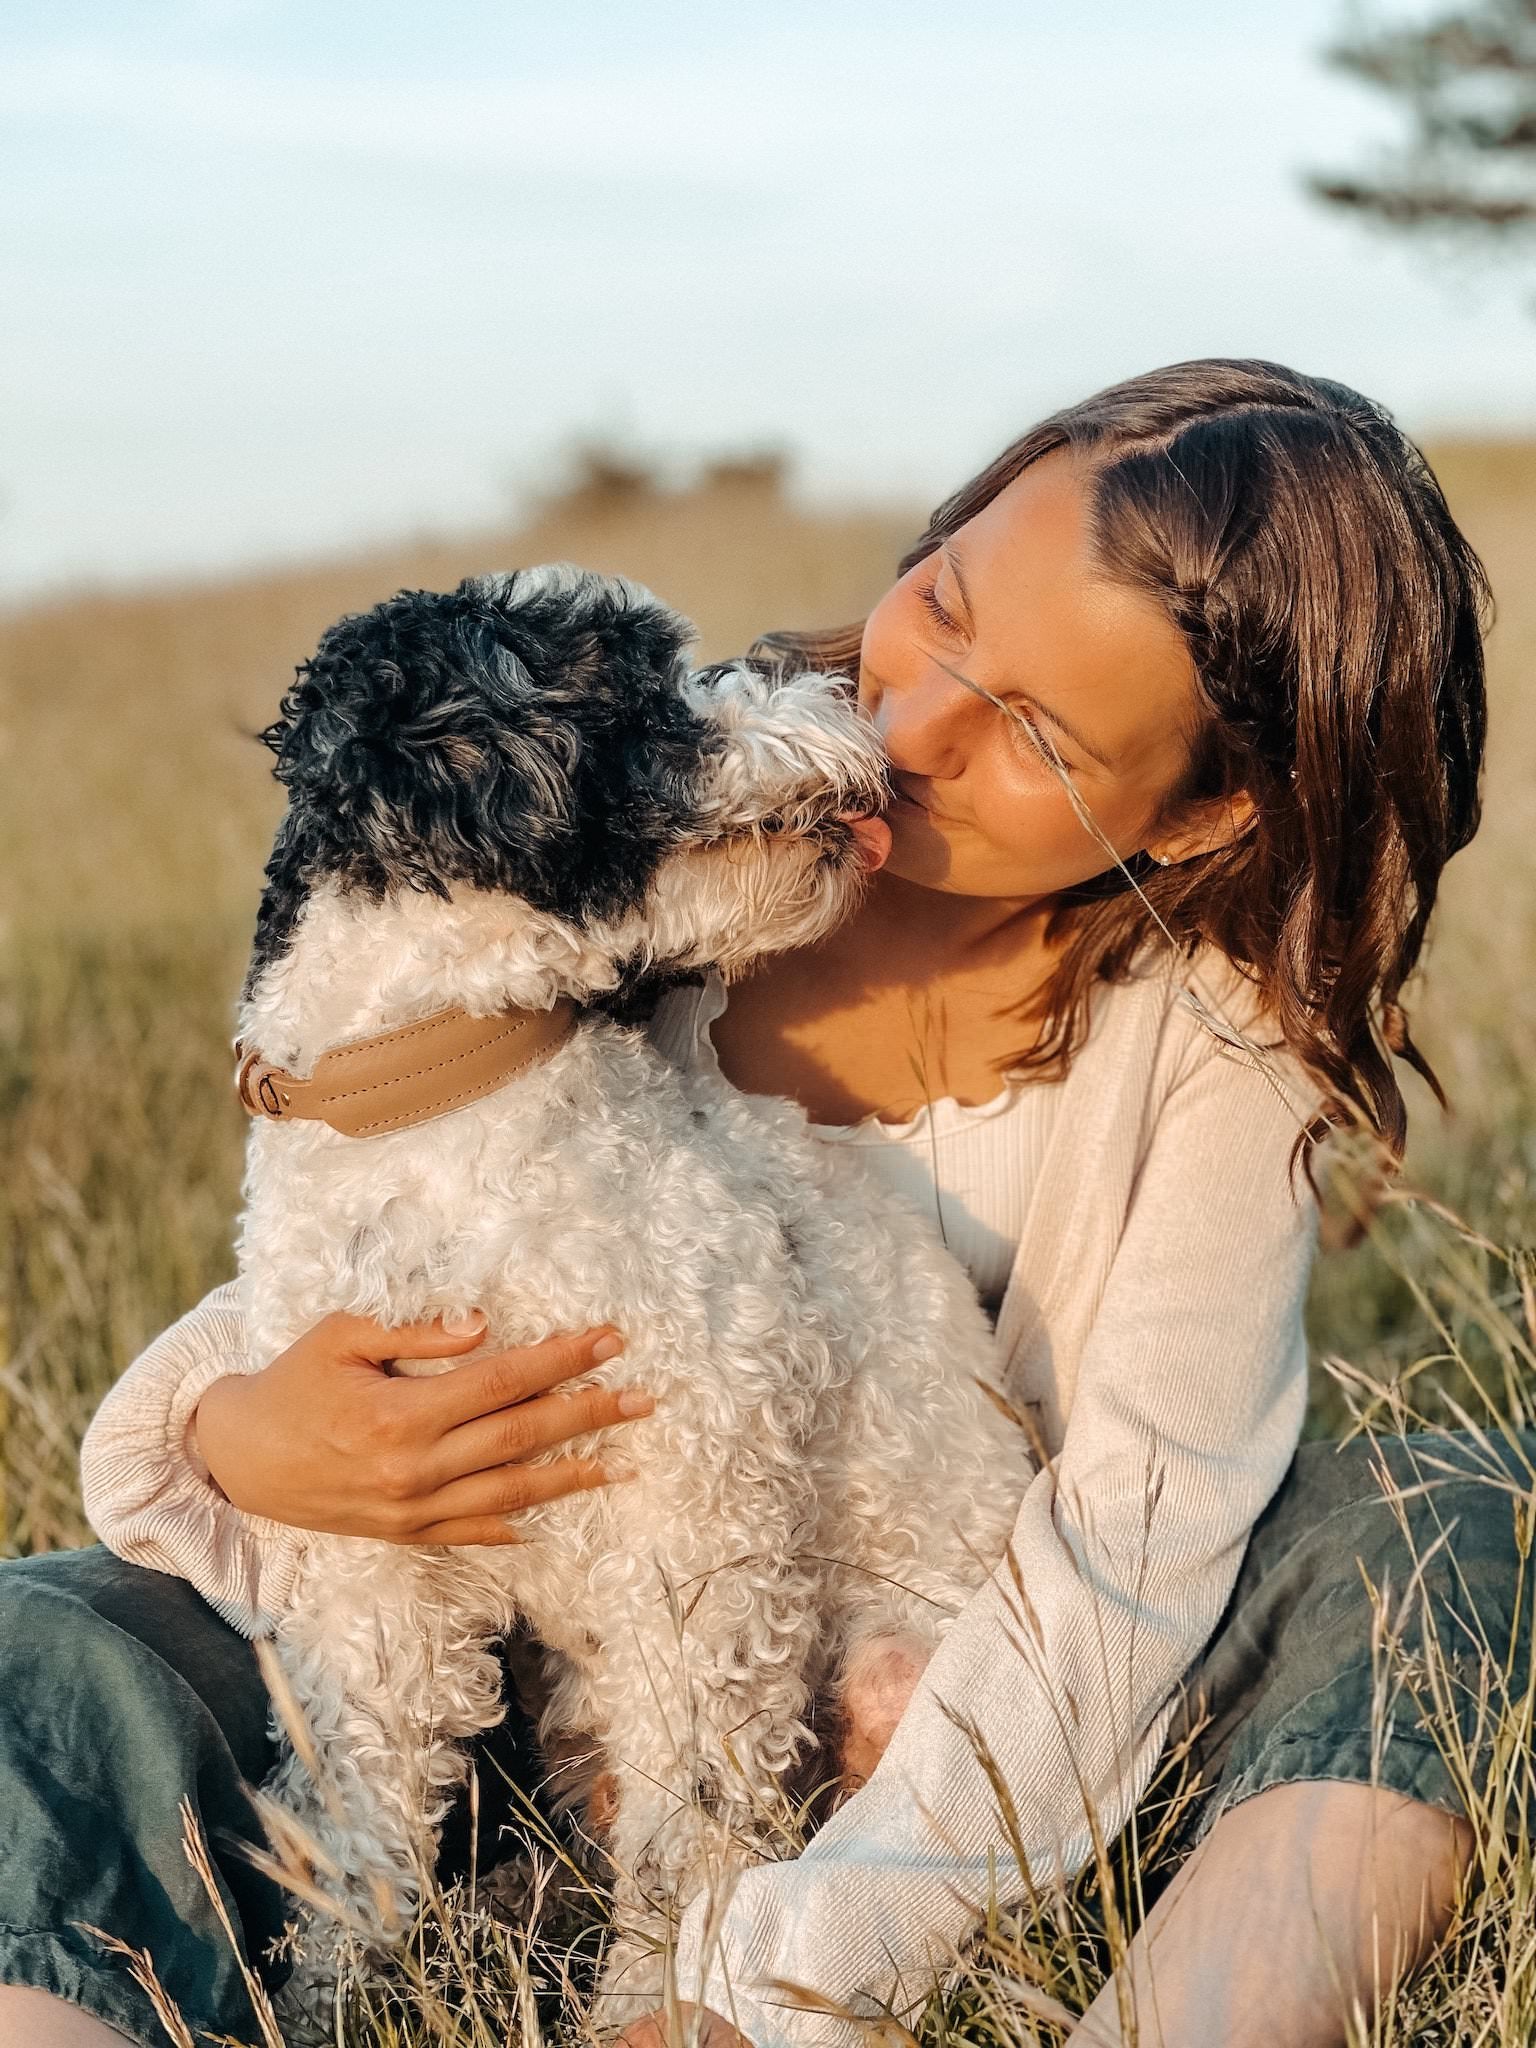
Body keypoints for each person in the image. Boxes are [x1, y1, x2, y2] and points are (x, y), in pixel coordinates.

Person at [1, 360, 1524, 2048]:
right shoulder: (663, 808)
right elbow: (407, 1191)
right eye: (939, 601)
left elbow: (1132, 1555)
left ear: (1209, 811)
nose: (914, 724)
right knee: (44, 1649)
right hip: (510, 1667)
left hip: (966, 1713)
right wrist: (214, 1432)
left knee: (1449, 1525)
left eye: (1037, 733)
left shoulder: (1216, 1047)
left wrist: (789, 1970)